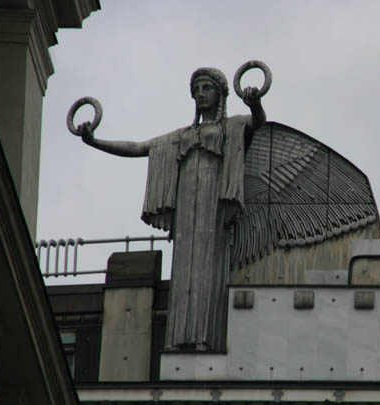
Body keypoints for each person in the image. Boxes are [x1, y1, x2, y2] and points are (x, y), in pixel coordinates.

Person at [76, 67, 266, 352]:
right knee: (184, 271)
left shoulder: (233, 127)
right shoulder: (179, 136)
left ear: (221, 94)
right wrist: (95, 141)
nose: (201, 94)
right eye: (197, 89)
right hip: (187, 210)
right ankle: (178, 338)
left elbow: (258, 122)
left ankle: (205, 338)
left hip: (213, 208)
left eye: (207, 88)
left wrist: (255, 102)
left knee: (207, 269)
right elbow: (139, 147)